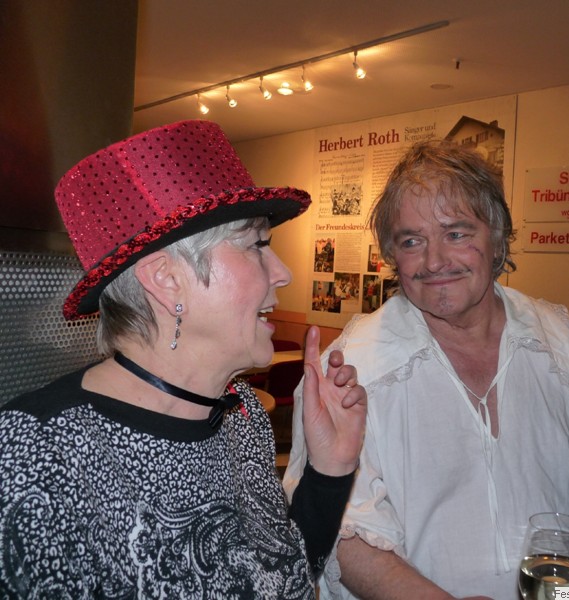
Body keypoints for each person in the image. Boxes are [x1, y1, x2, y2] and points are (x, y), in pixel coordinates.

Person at [0, 120, 366, 598]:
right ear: (166, 279)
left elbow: (285, 576)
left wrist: (331, 469)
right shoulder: (32, 454)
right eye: (257, 246)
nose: (282, 273)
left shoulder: (243, 417)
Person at [284, 140, 569, 599]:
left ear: (497, 237)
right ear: (392, 255)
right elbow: (341, 535)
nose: (434, 262)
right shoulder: (351, 371)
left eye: (456, 233)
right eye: (412, 241)